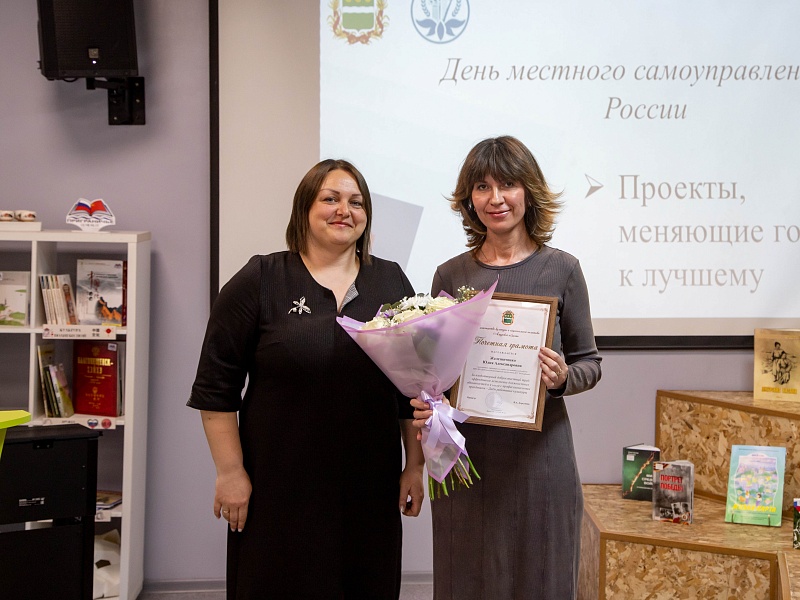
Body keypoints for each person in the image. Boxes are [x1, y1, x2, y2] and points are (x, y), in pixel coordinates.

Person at [188, 159, 425, 599]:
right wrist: (230, 472)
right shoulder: (262, 278)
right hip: (277, 487)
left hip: (368, 489)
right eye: (330, 199)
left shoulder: (391, 281)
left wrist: (414, 465)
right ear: (304, 209)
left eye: (356, 202)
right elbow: (215, 390)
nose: (344, 210)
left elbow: (410, 392)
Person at [411, 136, 602, 599]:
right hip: (468, 459)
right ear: (469, 199)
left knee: (542, 579)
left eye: (508, 185)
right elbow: (434, 370)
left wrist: (562, 378)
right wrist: (429, 401)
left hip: (541, 459)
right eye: (482, 187)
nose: (495, 199)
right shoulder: (450, 275)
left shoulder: (563, 269)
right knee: (468, 580)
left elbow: (589, 363)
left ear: (528, 192)